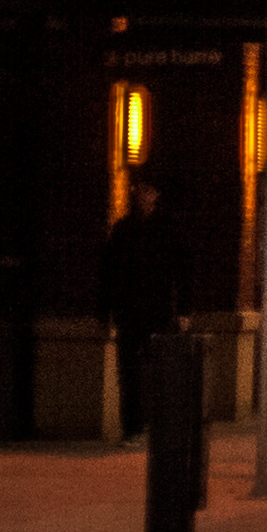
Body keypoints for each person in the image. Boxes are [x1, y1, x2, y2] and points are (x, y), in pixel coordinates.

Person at [97, 181, 182, 443]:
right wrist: (104, 312)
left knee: (158, 370)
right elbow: (108, 273)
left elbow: (182, 270)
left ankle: (154, 423)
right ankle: (131, 426)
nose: (143, 196)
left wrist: (183, 310)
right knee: (129, 371)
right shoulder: (122, 230)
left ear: (156, 195)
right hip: (129, 311)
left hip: (158, 311)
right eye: (140, 191)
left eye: (148, 191)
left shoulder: (167, 230)